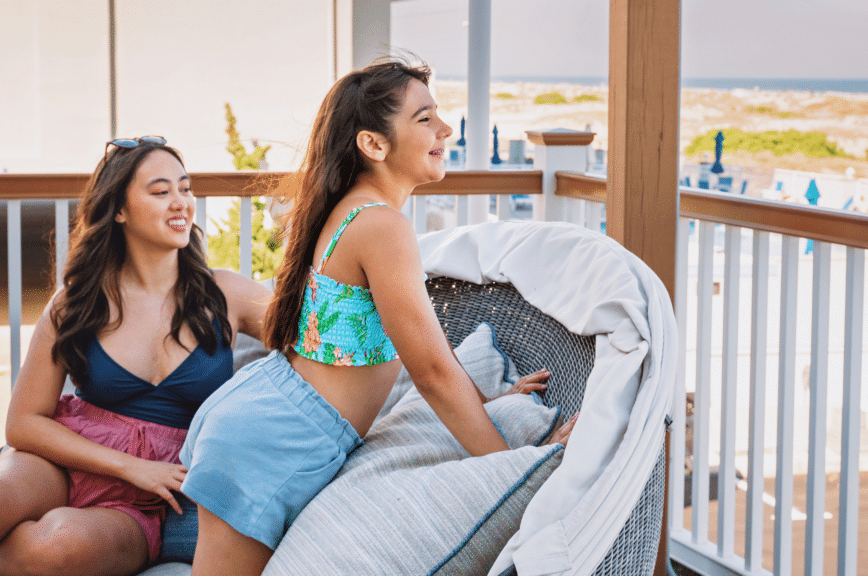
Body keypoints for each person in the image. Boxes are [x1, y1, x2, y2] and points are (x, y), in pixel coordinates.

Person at [180, 57, 578, 576]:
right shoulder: (381, 225)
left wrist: (491, 402)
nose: (445, 128)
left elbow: (422, 358)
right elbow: (433, 374)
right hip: (277, 438)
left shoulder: (354, 212)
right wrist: (512, 468)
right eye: (424, 119)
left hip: (272, 418)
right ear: (373, 144)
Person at [0, 137, 271, 576]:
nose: (181, 204)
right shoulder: (76, 302)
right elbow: (23, 422)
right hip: (64, 460)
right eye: (160, 192)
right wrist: (133, 466)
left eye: (185, 189)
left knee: (56, 546)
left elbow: (315, 340)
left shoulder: (227, 293)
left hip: (144, 502)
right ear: (119, 209)